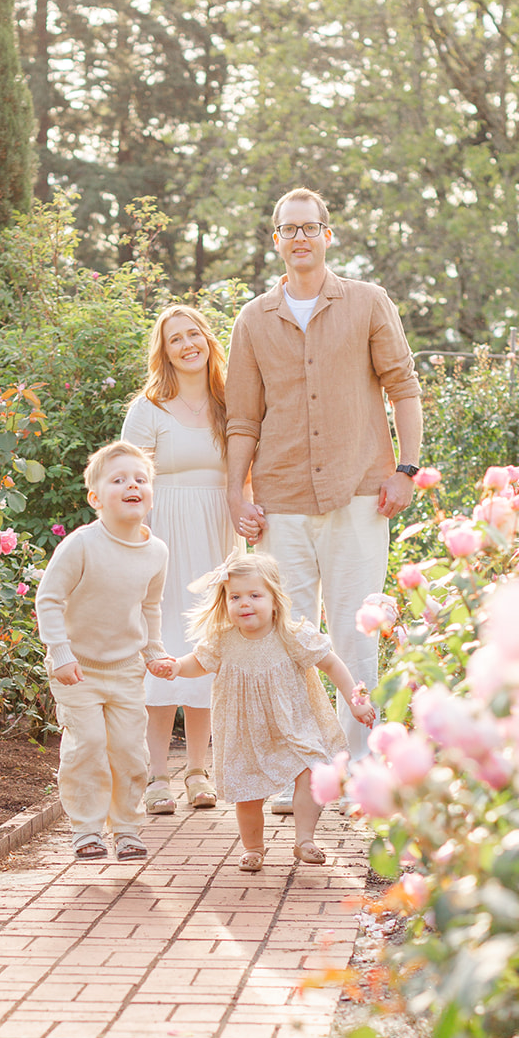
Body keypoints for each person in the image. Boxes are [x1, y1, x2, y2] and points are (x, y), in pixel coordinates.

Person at [224, 186, 422, 811]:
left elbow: (404, 387)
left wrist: (407, 469)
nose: (301, 237)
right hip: (280, 498)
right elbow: (242, 419)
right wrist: (237, 491)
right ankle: (296, 774)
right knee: (287, 639)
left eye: (311, 227)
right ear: (276, 239)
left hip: (362, 493)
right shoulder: (254, 319)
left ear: (328, 235)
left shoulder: (366, 302)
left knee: (356, 635)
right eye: (289, 229)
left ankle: (358, 773)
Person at [153, 553, 375, 872]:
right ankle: (253, 847)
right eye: (235, 597)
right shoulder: (223, 640)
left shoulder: (291, 634)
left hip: (293, 724)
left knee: (311, 773)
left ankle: (305, 840)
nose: (245, 603)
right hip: (245, 731)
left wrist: (356, 700)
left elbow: (331, 662)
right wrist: (176, 667)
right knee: (247, 794)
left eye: (255, 595)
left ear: (274, 599)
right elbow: (198, 662)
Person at [122, 305, 240, 814]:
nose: (188, 344)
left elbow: (248, 468)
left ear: (209, 341)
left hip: (219, 532)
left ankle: (199, 771)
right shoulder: (149, 407)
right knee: (164, 643)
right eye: (176, 339)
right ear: (164, 352)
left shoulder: (229, 401)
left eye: (195, 334)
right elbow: (129, 477)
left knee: (208, 645)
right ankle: (155, 776)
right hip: (164, 532)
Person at [35, 440, 169, 861]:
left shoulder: (156, 552)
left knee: (130, 748)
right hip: (77, 668)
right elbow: (49, 599)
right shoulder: (81, 545)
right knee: (89, 743)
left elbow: (149, 606)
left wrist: (154, 652)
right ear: (96, 498)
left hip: (127, 669)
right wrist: (60, 654)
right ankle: (87, 829)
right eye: (119, 479)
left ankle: (127, 828)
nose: (132, 485)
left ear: (150, 494)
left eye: (140, 479)